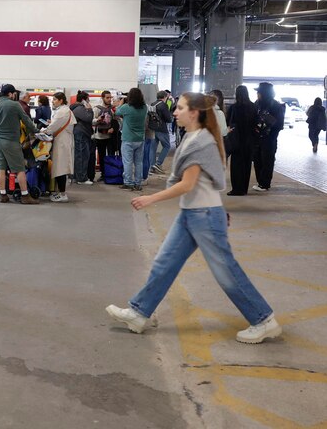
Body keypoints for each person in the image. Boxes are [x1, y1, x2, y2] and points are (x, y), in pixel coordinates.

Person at [106, 92, 281, 344]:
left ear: (194, 112)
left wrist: (150, 199)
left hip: (204, 216)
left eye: (179, 108)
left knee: (225, 272)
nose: (174, 112)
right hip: (194, 214)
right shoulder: (193, 137)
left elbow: (187, 184)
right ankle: (139, 312)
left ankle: (263, 319)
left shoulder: (201, 142)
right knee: (164, 264)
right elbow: (203, 184)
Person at [0, 84, 39, 204]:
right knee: (20, 169)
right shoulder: (15, 105)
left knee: (1, 168)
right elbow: (26, 120)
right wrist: (37, 131)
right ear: (11, 94)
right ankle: (25, 196)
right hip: (11, 142)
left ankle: (3, 195)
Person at [252, 82, 285, 192]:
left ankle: (265, 184)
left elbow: (279, 125)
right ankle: (260, 182)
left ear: (264, 93)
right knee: (257, 160)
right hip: (257, 137)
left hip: (269, 138)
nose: (257, 94)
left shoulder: (276, 106)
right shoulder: (257, 104)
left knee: (267, 161)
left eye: (259, 92)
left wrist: (268, 121)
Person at [42, 92, 74, 202]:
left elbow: (52, 127)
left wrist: (43, 130)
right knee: (61, 166)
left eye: (55, 99)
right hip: (63, 140)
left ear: (61, 100)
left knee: (61, 168)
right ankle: (60, 192)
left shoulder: (62, 111)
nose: (53, 101)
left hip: (62, 142)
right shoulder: (65, 110)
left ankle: (63, 194)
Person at [225, 86, 257, 195]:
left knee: (236, 165)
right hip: (249, 140)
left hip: (236, 140)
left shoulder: (234, 107)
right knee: (247, 165)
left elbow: (228, 122)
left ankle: (236, 189)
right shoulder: (253, 107)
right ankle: (244, 189)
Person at [114, 88, 147, 191]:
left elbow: (117, 112)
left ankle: (128, 182)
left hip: (128, 139)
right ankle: (138, 183)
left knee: (128, 162)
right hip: (140, 139)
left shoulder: (126, 108)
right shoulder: (144, 107)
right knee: (138, 162)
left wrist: (122, 102)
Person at [70, 90, 95, 185]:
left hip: (80, 133)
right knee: (82, 156)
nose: (89, 101)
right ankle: (81, 178)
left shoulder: (75, 107)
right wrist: (90, 109)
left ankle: (78, 176)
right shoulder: (79, 108)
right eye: (88, 99)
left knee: (80, 155)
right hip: (81, 134)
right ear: (84, 100)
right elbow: (88, 118)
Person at [148, 91, 173, 174]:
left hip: (152, 128)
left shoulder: (152, 104)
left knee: (153, 148)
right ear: (165, 97)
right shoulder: (163, 105)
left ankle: (152, 166)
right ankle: (158, 164)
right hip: (162, 129)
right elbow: (168, 119)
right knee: (167, 146)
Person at [92, 90, 115, 181]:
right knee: (101, 156)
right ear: (102, 98)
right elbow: (92, 120)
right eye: (107, 98)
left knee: (110, 155)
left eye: (110, 97)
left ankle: (110, 173)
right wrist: (97, 120)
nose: (109, 99)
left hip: (110, 136)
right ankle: (103, 173)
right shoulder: (97, 108)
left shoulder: (112, 109)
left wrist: (113, 127)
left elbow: (117, 120)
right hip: (100, 136)